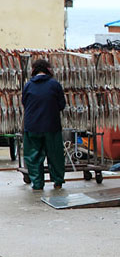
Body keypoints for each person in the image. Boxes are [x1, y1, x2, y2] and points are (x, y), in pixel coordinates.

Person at [22, 59, 66, 190]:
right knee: (55, 155)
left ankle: (37, 184)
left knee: (33, 157)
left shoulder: (28, 85)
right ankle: (57, 182)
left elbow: (24, 103)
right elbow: (61, 105)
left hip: (32, 127)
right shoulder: (55, 84)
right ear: (48, 69)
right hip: (51, 126)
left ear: (34, 70)